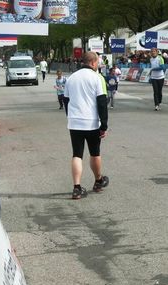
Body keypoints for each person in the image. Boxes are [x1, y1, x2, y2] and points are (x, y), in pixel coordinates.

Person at [64, 51, 109, 200]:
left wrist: (70, 116)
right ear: (93, 62)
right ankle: (98, 180)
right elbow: (102, 102)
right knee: (94, 153)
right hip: (91, 122)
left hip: (75, 121)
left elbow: (66, 100)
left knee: (77, 154)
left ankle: (76, 188)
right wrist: (104, 125)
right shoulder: (97, 78)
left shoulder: (71, 78)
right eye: (97, 62)